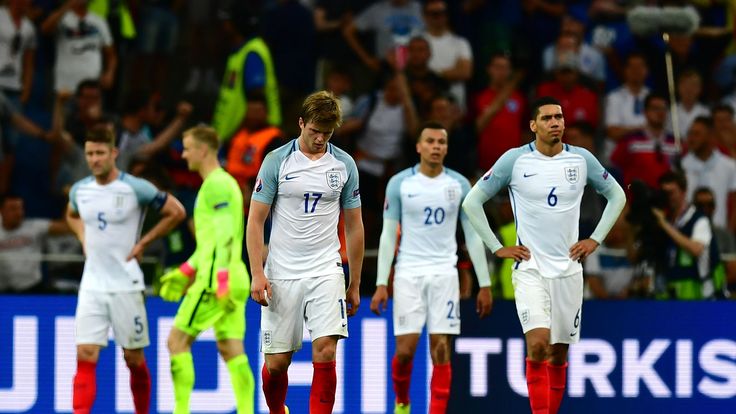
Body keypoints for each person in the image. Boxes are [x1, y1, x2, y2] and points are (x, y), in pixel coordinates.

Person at [461, 97, 626, 414]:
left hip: (568, 271)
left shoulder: (581, 160)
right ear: (533, 125)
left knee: (558, 354)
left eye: (560, 117)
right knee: (538, 345)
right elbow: (472, 202)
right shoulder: (515, 160)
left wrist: (595, 239)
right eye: (548, 118)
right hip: (530, 270)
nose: (556, 123)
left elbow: (616, 194)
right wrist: (498, 246)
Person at [246, 91, 363, 414]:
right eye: (315, 131)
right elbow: (256, 221)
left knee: (325, 351)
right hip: (281, 272)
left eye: (327, 132)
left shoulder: (343, 165)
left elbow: (354, 226)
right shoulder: (276, 161)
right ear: (301, 123)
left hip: (326, 270)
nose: (321, 138)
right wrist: (258, 272)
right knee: (277, 365)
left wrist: (354, 283)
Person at [370, 122, 492, 414]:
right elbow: (388, 235)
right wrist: (380, 283)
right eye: (430, 141)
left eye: (441, 142)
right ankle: (402, 402)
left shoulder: (460, 185)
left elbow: (472, 235)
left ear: (446, 148)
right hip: (409, 273)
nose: (436, 146)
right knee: (404, 352)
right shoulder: (400, 183)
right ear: (419, 146)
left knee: (440, 349)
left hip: (444, 274)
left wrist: (484, 283)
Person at [66, 125, 186, 414]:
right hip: (92, 285)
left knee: (133, 358)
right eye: (90, 153)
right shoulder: (80, 191)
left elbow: (177, 211)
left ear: (113, 153)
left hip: (126, 286)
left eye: (100, 153)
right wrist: (82, 237)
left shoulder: (135, 187)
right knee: (85, 353)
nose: (94, 159)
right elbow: (71, 214)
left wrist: (144, 241)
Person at [159, 125, 255, 414]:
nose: (184, 153)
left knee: (176, 341)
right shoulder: (223, 184)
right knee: (230, 348)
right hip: (233, 273)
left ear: (203, 150)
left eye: (187, 148)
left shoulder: (216, 185)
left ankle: (181, 410)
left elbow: (225, 235)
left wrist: (220, 279)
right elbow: (210, 243)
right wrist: (186, 270)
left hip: (217, 278)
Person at [652, 171, 718, 300]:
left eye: (672, 192)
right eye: (664, 193)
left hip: (701, 296)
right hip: (673, 296)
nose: (668, 197)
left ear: (683, 192)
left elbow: (696, 249)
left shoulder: (699, 219)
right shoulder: (666, 220)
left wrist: (664, 225)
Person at [0, 194, 70, 293]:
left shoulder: (35, 227)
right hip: (3, 291)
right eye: (13, 209)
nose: (18, 213)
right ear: (1, 211)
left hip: (32, 289)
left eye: (20, 208)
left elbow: (66, 227)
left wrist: (71, 201)